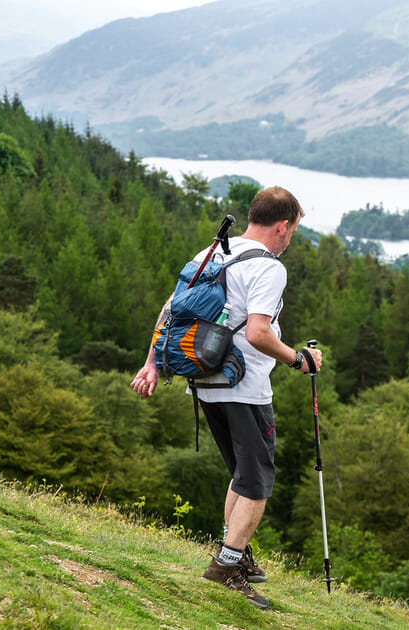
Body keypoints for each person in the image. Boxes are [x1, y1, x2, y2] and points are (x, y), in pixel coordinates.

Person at [130, 186, 322, 610]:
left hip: (203, 379)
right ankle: (226, 568)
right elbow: (256, 332)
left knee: (240, 472)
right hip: (245, 385)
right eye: (291, 232)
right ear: (283, 226)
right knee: (257, 480)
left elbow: (170, 309)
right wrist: (298, 359)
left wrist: (152, 363)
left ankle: (236, 553)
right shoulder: (269, 268)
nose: (289, 240)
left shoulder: (211, 251)